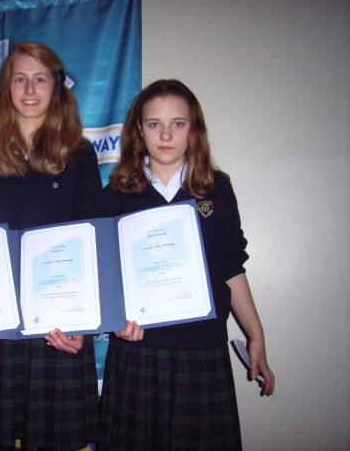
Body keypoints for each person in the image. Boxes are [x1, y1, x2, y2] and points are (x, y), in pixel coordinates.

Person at [99, 79, 276, 450]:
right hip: (137, 352)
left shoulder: (216, 188)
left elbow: (231, 267)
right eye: (154, 124)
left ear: (193, 128)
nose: (166, 135)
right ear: (139, 129)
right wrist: (116, 322)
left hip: (202, 349)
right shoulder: (116, 193)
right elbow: (105, 276)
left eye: (177, 123)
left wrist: (256, 335)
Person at [0, 42, 104, 451]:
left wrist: (83, 324)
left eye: (40, 79)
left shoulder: (79, 154)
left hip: (58, 324)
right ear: (6, 87)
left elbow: (93, 240)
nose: (29, 90)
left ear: (56, 87)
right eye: (19, 79)